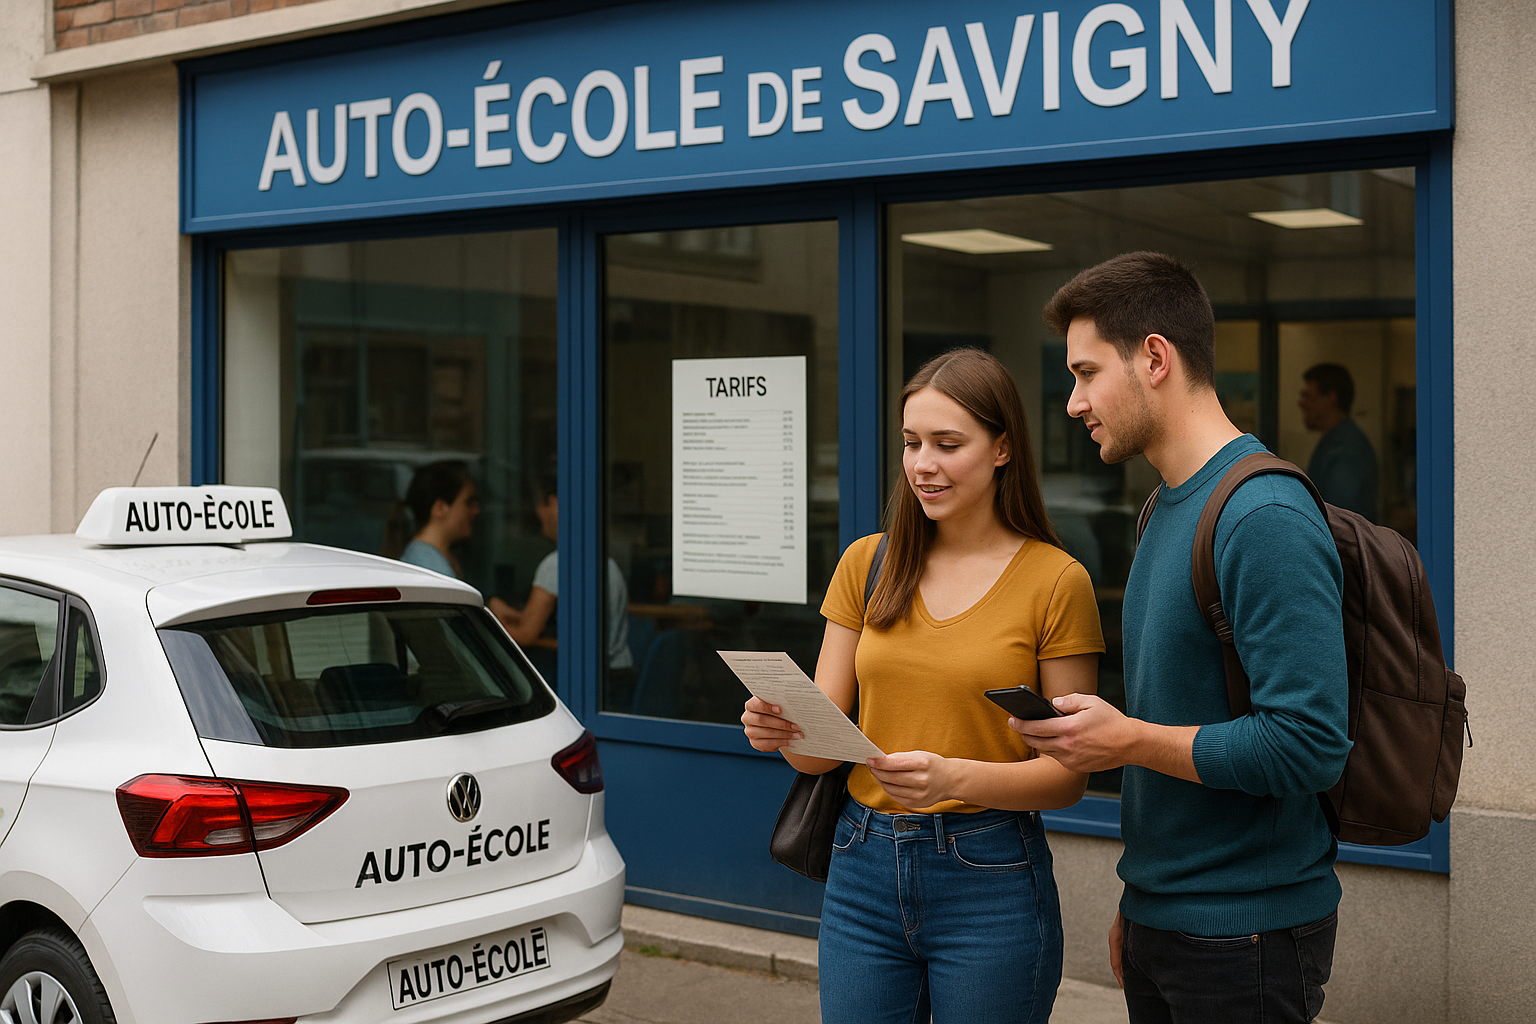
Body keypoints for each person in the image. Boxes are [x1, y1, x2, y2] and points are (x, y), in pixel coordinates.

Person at [1014, 252, 1351, 1024]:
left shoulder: (1263, 516)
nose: (1073, 402)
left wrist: (1126, 740)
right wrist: (1141, 904)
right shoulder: (1165, 507)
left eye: (1087, 372)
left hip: (1246, 936)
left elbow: (1309, 746)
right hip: (1164, 919)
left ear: (1155, 359)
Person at [741, 348, 1104, 1024]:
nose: (922, 465)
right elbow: (819, 755)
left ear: (1002, 449)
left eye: (947, 444)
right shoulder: (867, 563)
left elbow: (1067, 777)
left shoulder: (1056, 581)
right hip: (860, 865)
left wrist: (952, 778)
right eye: (912, 443)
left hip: (989, 874)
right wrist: (781, 730)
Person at [500, 485, 634, 676]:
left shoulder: (557, 564)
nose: (537, 513)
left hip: (585, 679)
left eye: (539, 505)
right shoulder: (608, 563)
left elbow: (526, 635)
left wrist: (491, 620)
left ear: (553, 502)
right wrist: (511, 614)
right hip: (619, 675)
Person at [396, 460, 518, 628]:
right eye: (469, 502)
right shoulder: (430, 567)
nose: (476, 511)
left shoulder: (433, 558)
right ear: (440, 508)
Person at [1299, 362, 1378, 520]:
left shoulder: (1349, 450)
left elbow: (1338, 516)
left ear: (1331, 398)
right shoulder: (1332, 443)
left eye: (1308, 396)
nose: (1301, 403)